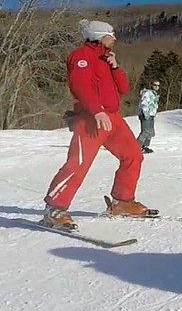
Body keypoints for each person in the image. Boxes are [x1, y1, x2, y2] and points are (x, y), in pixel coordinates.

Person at [41, 19, 152, 230]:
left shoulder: (105, 58)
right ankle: (54, 210)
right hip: (90, 118)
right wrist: (97, 110)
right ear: (99, 36)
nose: (114, 38)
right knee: (78, 163)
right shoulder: (81, 56)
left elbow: (124, 88)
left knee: (133, 155)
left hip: (112, 117)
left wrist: (115, 66)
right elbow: (79, 86)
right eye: (111, 34)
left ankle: (122, 202)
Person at [137, 79, 160, 154]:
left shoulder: (154, 94)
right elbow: (144, 104)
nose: (156, 87)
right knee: (145, 132)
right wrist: (145, 113)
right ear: (151, 85)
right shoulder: (147, 93)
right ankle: (136, 147)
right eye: (155, 85)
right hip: (145, 115)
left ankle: (145, 146)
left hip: (151, 115)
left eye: (158, 85)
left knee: (150, 132)